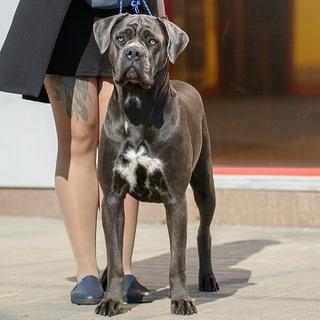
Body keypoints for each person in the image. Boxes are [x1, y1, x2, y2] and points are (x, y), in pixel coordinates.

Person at [0, 0, 166, 305]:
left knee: (122, 143)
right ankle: (86, 271)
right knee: (79, 138)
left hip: (126, 13)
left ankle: (122, 270)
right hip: (65, 20)